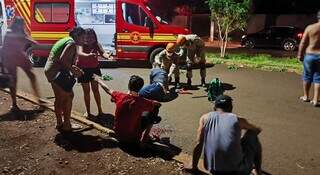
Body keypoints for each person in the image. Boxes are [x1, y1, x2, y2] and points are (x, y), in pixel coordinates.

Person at [184, 95, 263, 175]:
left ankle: (195, 166)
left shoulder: (205, 118)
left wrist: (193, 166)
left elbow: (198, 143)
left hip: (212, 169)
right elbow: (257, 130)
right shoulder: (238, 119)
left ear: (214, 107)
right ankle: (257, 171)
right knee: (252, 135)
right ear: (231, 107)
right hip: (237, 171)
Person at [94, 75, 161, 145]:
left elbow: (107, 89)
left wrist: (98, 80)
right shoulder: (143, 102)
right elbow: (158, 104)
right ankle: (144, 138)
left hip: (118, 134)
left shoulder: (120, 96)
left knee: (130, 109)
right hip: (133, 138)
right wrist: (151, 102)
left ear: (129, 85)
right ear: (141, 88)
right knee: (154, 109)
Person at [44, 27, 85, 132]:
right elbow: (63, 60)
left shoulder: (66, 39)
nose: (84, 40)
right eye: (83, 37)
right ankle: (67, 125)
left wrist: (73, 68)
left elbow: (64, 60)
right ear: (77, 36)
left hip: (50, 71)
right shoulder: (71, 44)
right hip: (56, 72)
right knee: (68, 96)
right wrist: (74, 71)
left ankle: (59, 123)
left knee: (59, 98)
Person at [1, 17, 42, 111]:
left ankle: (15, 104)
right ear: (19, 24)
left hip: (13, 57)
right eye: (22, 23)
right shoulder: (14, 33)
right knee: (27, 77)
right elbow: (29, 41)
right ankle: (36, 100)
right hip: (14, 57)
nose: (23, 25)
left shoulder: (13, 32)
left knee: (15, 80)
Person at [76, 28, 113, 117]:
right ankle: (88, 112)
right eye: (87, 37)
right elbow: (79, 53)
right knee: (87, 92)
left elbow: (103, 53)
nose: (89, 39)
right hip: (83, 70)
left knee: (96, 90)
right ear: (84, 37)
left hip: (94, 69)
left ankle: (100, 111)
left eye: (92, 37)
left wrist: (107, 56)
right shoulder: (80, 44)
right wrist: (88, 55)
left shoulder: (96, 44)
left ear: (95, 37)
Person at [297, 10, 320, 107]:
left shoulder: (310, 28)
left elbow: (303, 42)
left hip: (310, 55)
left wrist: (299, 54)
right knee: (318, 78)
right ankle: (316, 100)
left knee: (307, 76)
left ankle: (306, 96)